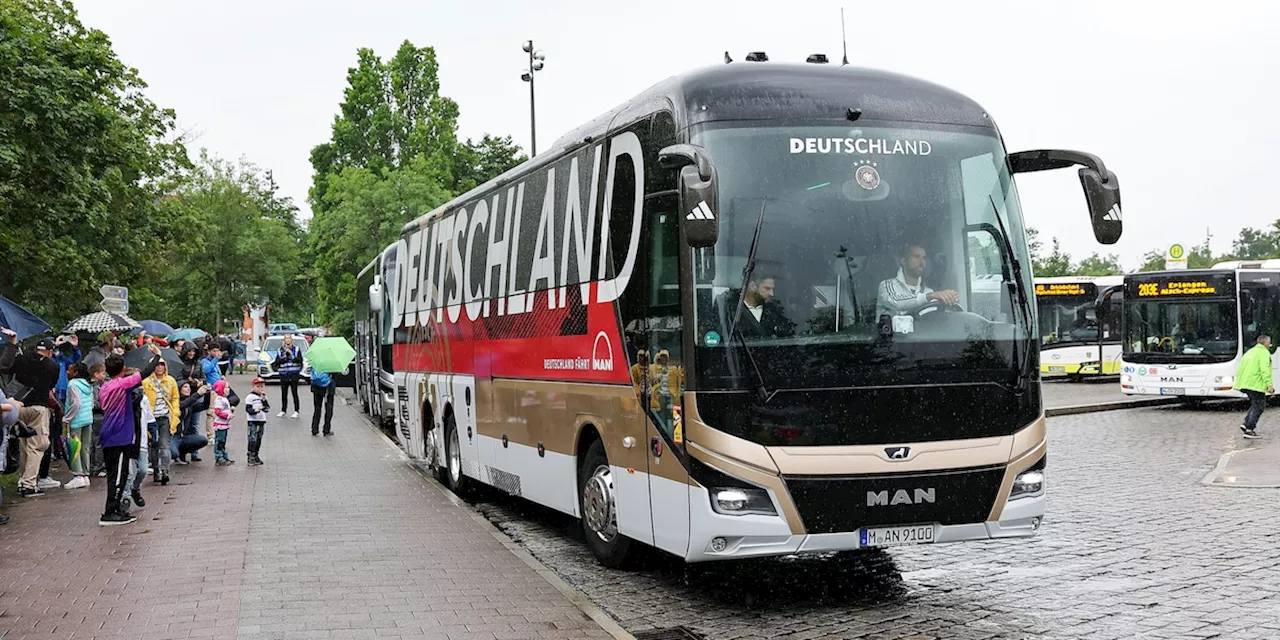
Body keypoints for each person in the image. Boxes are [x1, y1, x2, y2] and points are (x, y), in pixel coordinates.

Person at [99, 344, 161, 526]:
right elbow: (146, 372)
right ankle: (110, 512)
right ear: (123, 370)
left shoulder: (105, 386)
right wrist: (157, 356)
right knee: (118, 476)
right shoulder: (122, 384)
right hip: (119, 436)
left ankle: (116, 508)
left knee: (117, 474)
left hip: (110, 435)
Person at [0, 330, 60, 495]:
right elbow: (51, 385)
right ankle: (29, 483)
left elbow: (6, 368)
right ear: (49, 352)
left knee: (23, 444)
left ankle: (22, 479)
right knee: (37, 445)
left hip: (17, 406)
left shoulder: (21, 359)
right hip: (38, 408)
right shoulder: (53, 366)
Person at [876, 244, 961, 318]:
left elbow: (934, 320)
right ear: (903, 261)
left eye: (924, 258)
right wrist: (929, 296)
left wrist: (949, 303)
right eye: (916, 257)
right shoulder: (887, 286)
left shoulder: (929, 291)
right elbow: (896, 302)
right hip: (891, 336)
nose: (922, 262)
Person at [142, 361, 179, 485]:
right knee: (154, 445)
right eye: (157, 365)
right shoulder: (146, 382)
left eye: (162, 365)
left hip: (164, 417)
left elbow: (175, 398)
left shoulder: (170, 381)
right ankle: (156, 470)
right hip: (151, 418)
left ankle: (165, 471)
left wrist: (175, 412)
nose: (159, 367)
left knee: (164, 445)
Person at [724, 275, 794, 339]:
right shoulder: (729, 309)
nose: (772, 294)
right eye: (767, 289)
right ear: (752, 286)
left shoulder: (775, 312)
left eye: (772, 289)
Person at [1234, 334, 1273, 439]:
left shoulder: (1250, 352)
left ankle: (1246, 423)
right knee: (1259, 406)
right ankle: (1249, 429)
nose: (1270, 345)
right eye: (1269, 343)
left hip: (1246, 383)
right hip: (1256, 384)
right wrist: (1269, 385)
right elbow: (1264, 369)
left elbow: (1241, 368)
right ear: (1265, 343)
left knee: (1255, 404)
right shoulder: (1264, 353)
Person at [62, 363, 95, 489]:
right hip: (88, 418)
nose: (67, 372)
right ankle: (86, 474)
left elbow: (76, 403)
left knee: (74, 447)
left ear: (75, 372)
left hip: (76, 420)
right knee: (85, 447)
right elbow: (91, 402)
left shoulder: (72, 384)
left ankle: (78, 475)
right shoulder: (88, 384)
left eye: (69, 370)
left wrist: (67, 418)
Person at [274, 335, 303, 418]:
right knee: (284, 394)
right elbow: (277, 362)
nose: (288, 340)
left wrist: (292, 356)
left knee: (294, 393)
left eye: (289, 338)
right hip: (284, 374)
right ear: (284, 340)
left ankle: (296, 411)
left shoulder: (296, 349)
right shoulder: (280, 350)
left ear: (291, 340)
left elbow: (300, 360)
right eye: (286, 338)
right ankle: (283, 410)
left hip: (294, 374)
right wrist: (284, 358)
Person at [201, 344, 224, 439]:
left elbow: (216, 373)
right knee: (211, 413)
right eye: (214, 351)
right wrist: (215, 360)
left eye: (217, 351)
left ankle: (217, 431)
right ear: (209, 351)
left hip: (219, 389)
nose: (216, 353)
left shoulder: (215, 361)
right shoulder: (205, 361)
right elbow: (207, 370)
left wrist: (221, 377)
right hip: (212, 390)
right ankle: (210, 435)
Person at [244, 377, 269, 464]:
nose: (260, 389)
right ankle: (250, 455)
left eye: (262, 386)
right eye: (258, 386)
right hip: (253, 421)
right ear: (253, 386)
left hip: (261, 420)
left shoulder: (263, 397)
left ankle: (256, 454)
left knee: (259, 438)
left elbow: (267, 408)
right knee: (252, 438)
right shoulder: (250, 397)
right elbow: (248, 409)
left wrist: (264, 400)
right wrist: (254, 411)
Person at [211, 380, 235, 465]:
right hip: (220, 424)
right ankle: (218, 456)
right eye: (226, 387)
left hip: (224, 424)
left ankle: (224, 456)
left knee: (223, 441)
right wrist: (227, 415)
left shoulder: (224, 399)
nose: (228, 389)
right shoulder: (219, 400)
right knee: (220, 441)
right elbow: (218, 412)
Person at [310, 368, 335, 436]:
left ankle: (314, 429)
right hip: (328, 388)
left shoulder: (315, 360)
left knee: (317, 408)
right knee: (329, 408)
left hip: (316, 387)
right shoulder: (330, 362)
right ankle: (326, 430)